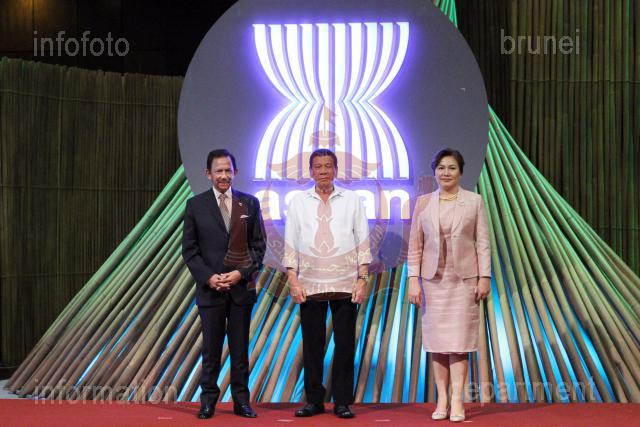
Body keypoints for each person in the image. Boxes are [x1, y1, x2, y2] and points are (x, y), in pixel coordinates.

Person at [284, 148, 371, 419]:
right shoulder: (298, 201)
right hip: (309, 284)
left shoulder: (352, 200)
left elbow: (363, 240)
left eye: (328, 165)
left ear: (336, 169)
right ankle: (314, 401)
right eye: (318, 166)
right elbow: (291, 242)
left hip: (346, 283)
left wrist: (362, 278)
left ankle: (342, 401)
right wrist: (292, 278)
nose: (323, 170)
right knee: (312, 346)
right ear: (311, 171)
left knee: (345, 345)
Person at [406, 148, 491, 422]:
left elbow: (483, 243)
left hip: (464, 281)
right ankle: (442, 398)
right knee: (438, 342)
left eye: (452, 167)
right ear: (434, 172)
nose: (446, 172)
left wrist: (485, 277)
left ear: (461, 172)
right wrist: (413, 280)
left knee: (459, 342)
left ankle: (457, 399)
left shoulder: (474, 201)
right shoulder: (423, 203)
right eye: (441, 167)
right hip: (433, 282)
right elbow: (415, 246)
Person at [182, 149, 266, 419]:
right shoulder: (195, 205)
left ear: (235, 172)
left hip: (241, 289)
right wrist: (209, 277)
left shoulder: (250, 203)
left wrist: (241, 273)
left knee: (240, 350)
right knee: (211, 350)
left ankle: (242, 401)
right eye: (218, 171)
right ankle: (208, 401)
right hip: (210, 290)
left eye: (228, 170)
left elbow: (259, 247)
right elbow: (190, 251)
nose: (224, 175)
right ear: (208, 174)